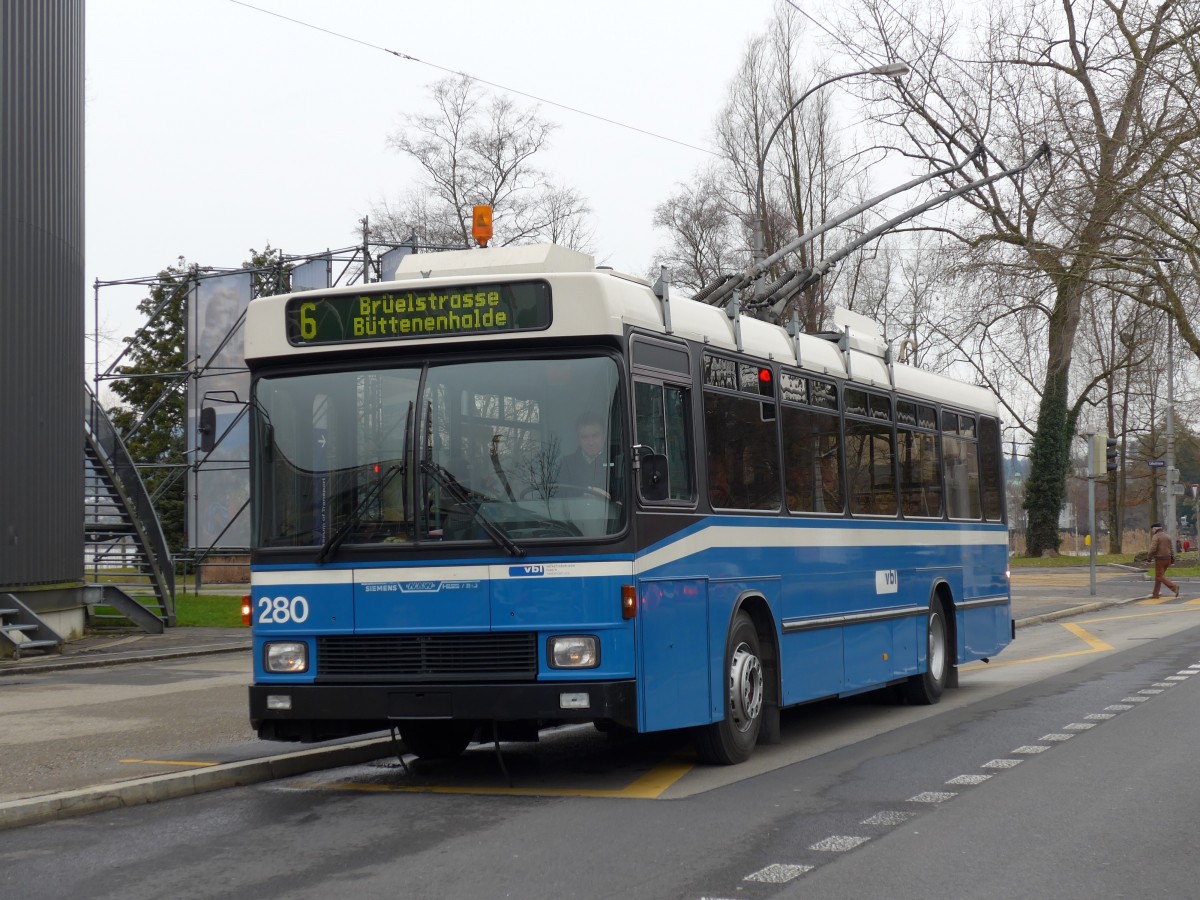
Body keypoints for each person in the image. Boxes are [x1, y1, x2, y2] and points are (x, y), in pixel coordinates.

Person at [560, 411, 613, 494]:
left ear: (604, 436)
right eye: (584, 437)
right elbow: (559, 497)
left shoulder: (616, 460)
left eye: (595, 435)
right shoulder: (566, 464)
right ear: (578, 439)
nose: (591, 442)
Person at [1148, 523, 1179, 599]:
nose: (1152, 531)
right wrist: (1172, 559)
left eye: (1152, 529)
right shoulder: (1167, 536)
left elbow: (1153, 549)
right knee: (1158, 576)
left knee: (1159, 576)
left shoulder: (1156, 536)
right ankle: (1155, 594)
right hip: (1168, 559)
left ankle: (1174, 588)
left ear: (1155, 529)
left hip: (1160, 559)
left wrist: (1149, 558)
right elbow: (1171, 549)